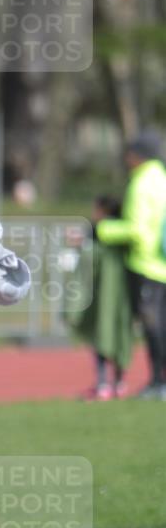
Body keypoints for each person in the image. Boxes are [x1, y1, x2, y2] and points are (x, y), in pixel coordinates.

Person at [96, 132, 166, 399]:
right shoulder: (161, 178)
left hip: (146, 263)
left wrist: (101, 229)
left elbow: (136, 230)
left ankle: (159, 382)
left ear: (138, 155)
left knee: (153, 326)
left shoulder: (142, 183)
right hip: (163, 261)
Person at [66, 196, 134, 400]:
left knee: (102, 336)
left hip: (105, 298)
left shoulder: (100, 234)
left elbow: (87, 263)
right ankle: (119, 383)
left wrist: (79, 245)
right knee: (120, 336)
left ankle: (104, 384)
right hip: (123, 298)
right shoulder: (126, 235)